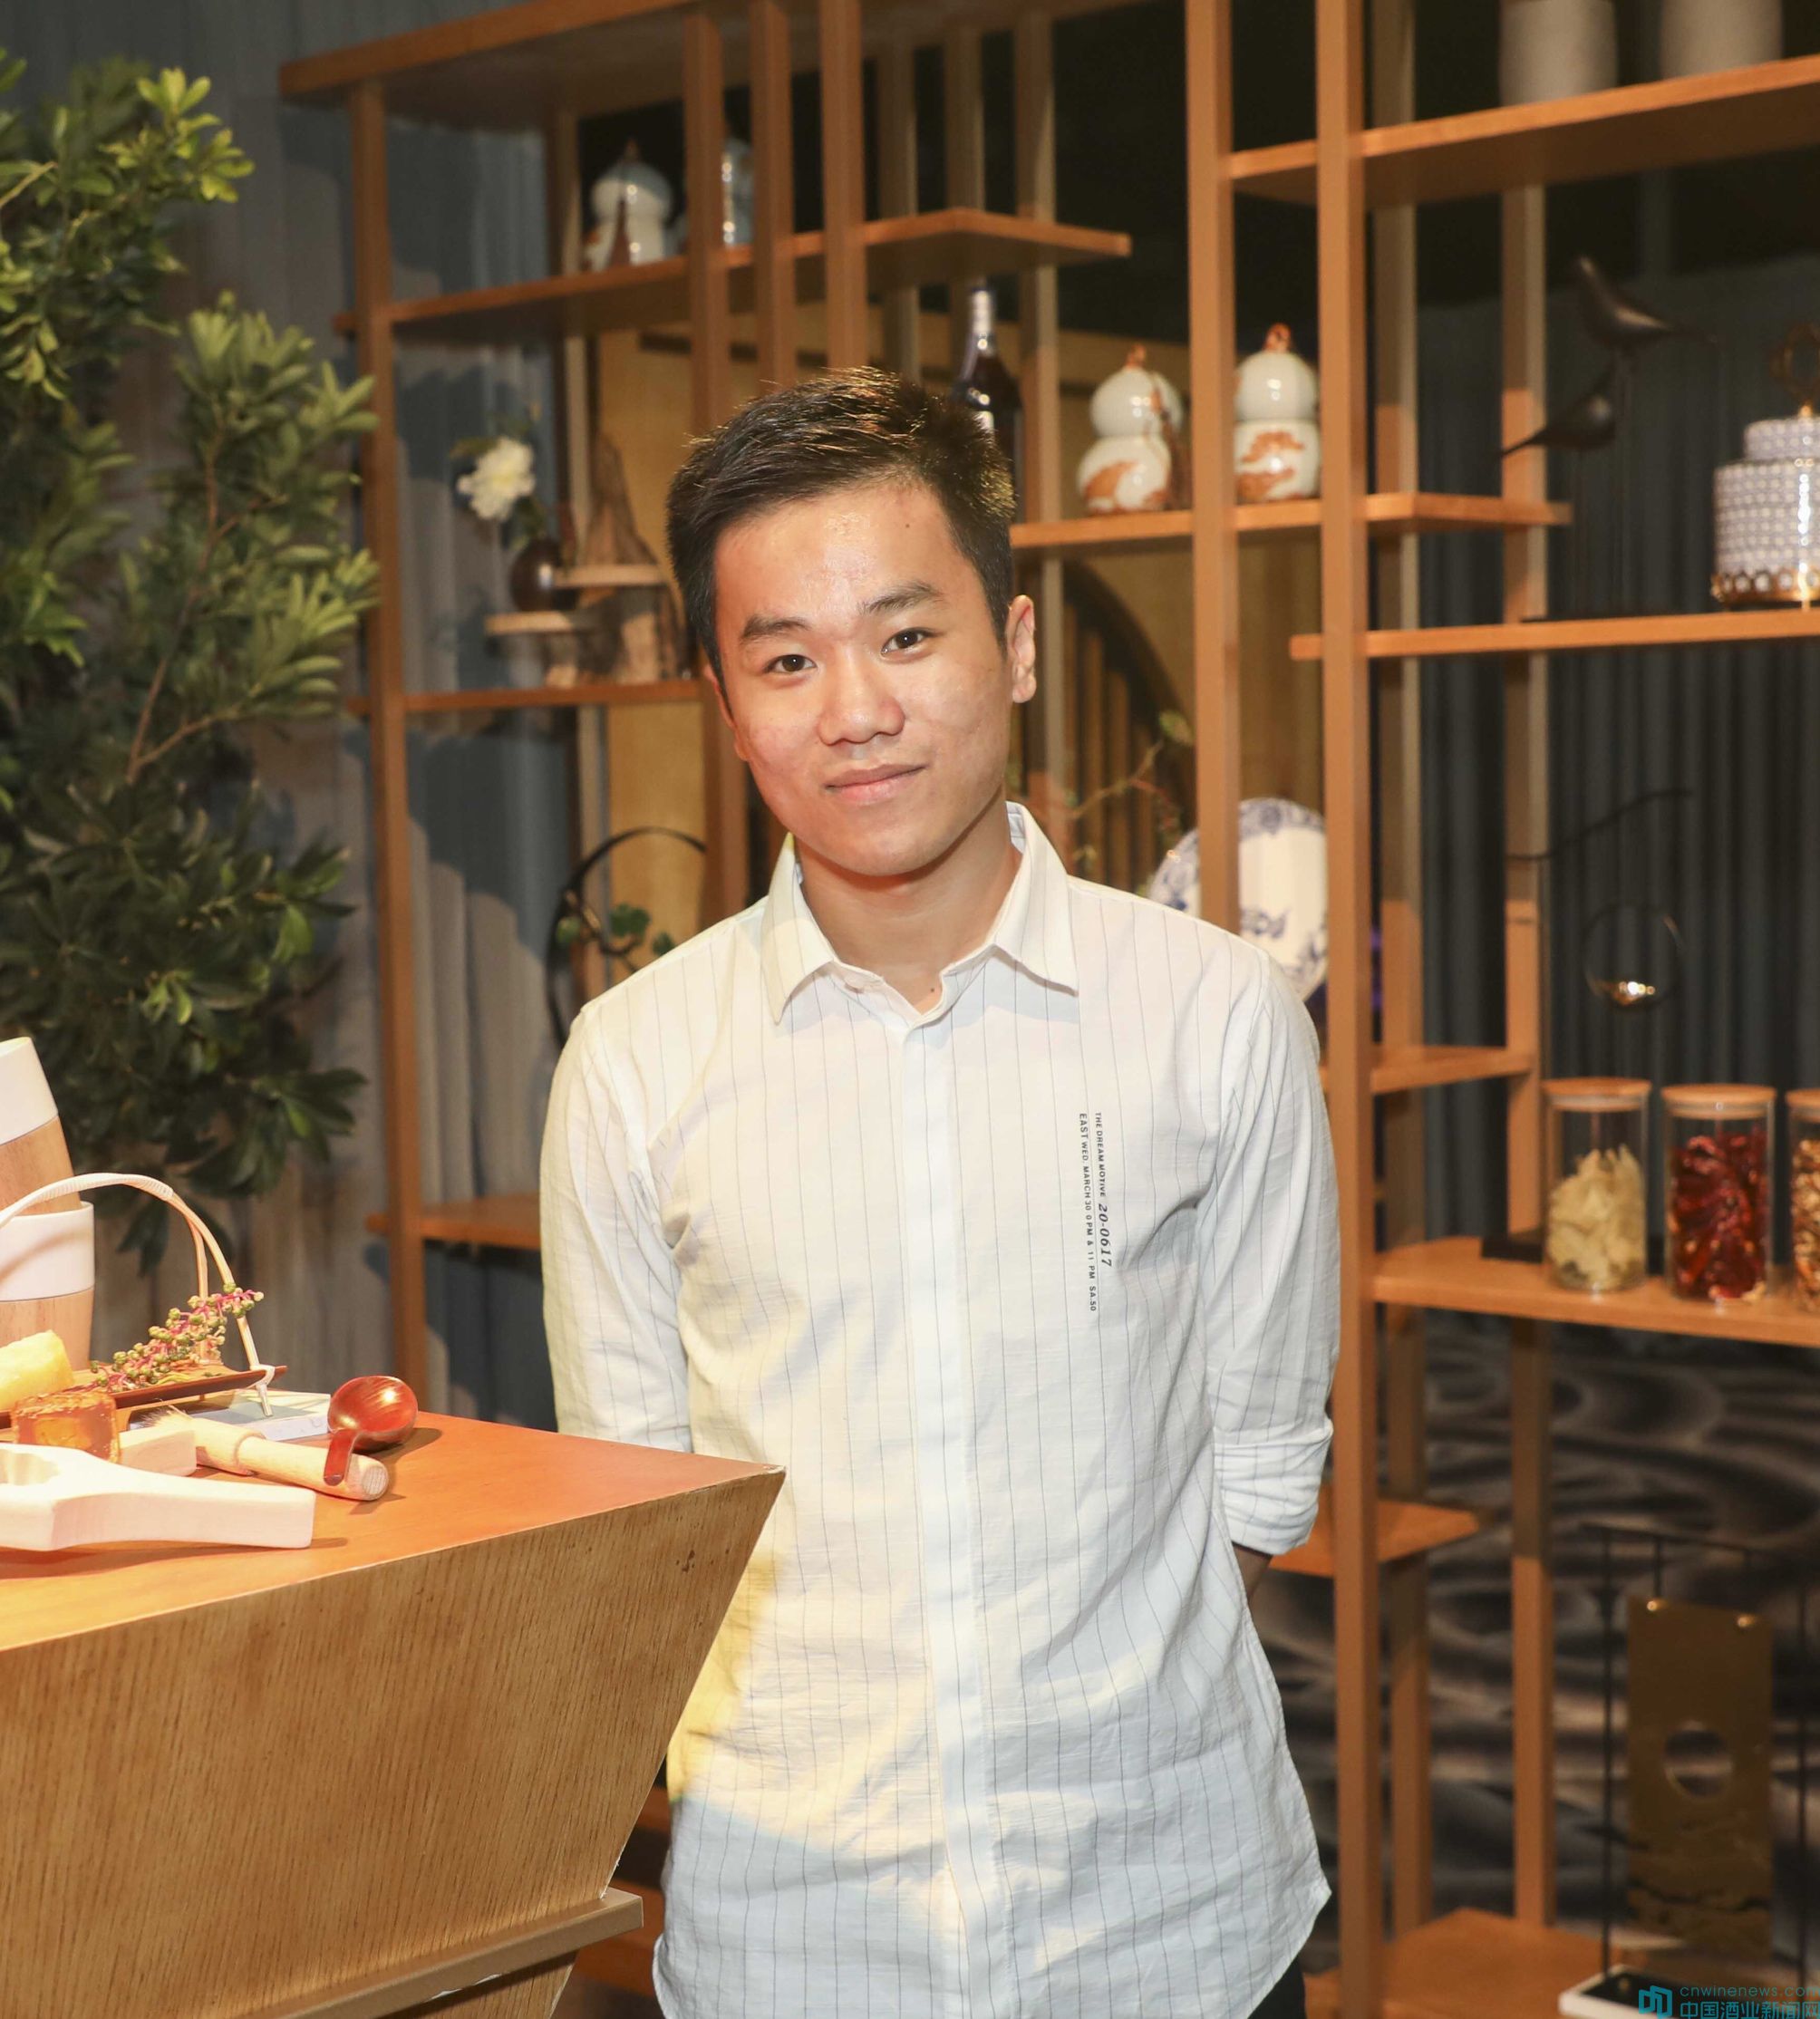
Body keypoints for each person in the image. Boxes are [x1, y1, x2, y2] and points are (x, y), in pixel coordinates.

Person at [542, 367, 1340, 2019]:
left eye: (906, 635)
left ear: (1017, 644)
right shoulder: (632, 1068)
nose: (855, 709)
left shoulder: (1215, 1015)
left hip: (1171, 1929)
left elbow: (1261, 1477)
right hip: (799, 1945)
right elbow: (639, 1535)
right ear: (725, 700)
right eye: (787, 659)